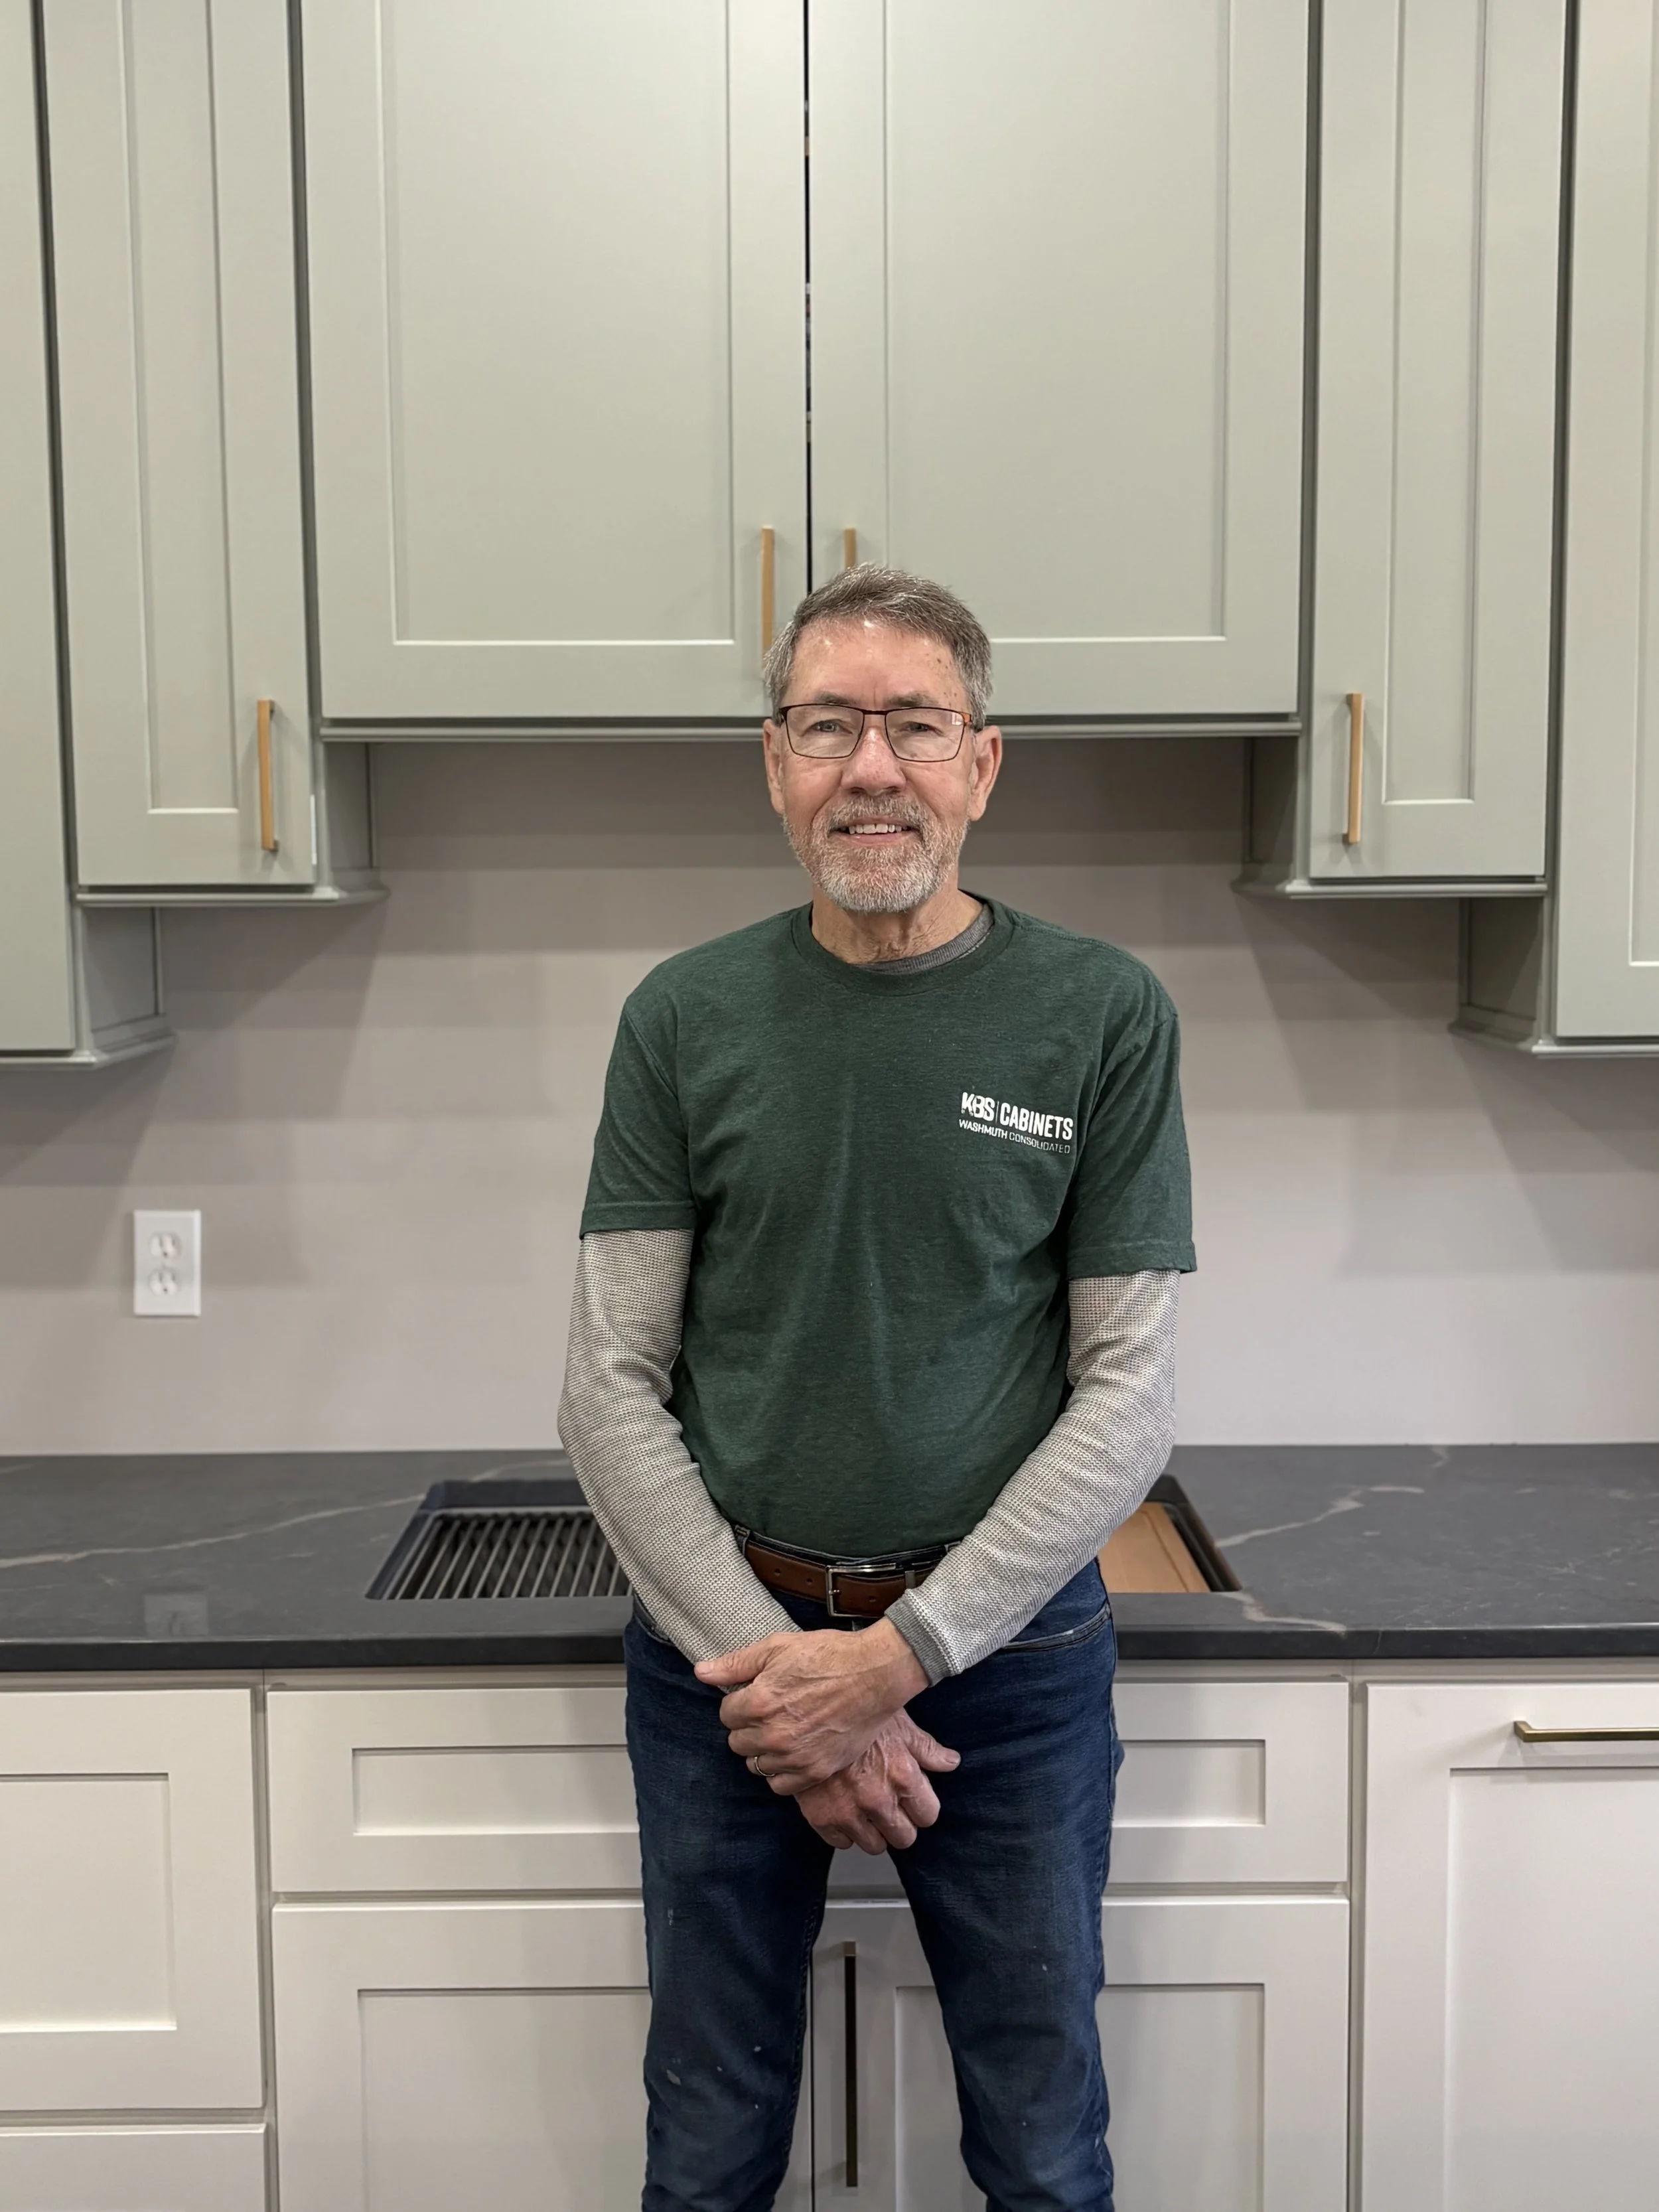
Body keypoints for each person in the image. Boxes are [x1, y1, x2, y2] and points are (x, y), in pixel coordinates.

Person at [559, 565, 1195, 2212]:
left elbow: (1125, 1394)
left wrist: (894, 1662)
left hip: (1010, 1666)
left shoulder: (1101, 1014)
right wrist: (783, 1679)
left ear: (982, 762)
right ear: (773, 761)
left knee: (1045, 2147)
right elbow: (608, 1383)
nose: (870, 765)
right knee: (702, 2151)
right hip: (729, 1664)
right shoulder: (683, 1017)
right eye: (828, 723)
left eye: (913, 723)